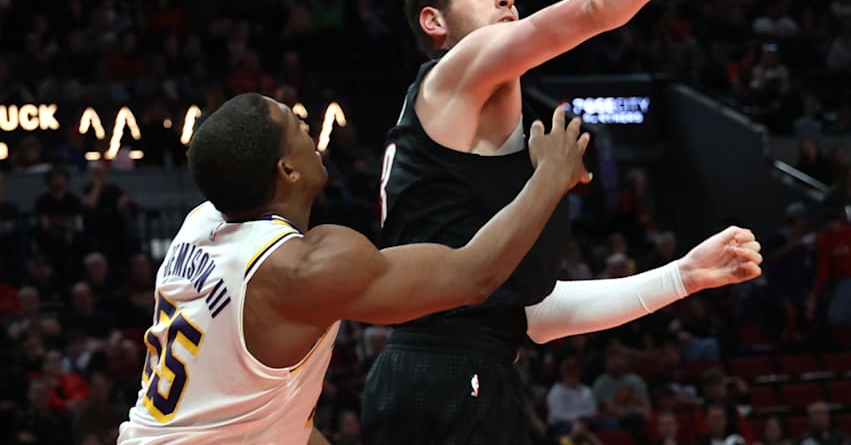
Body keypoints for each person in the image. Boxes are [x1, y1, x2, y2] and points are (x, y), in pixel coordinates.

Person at [364, 0, 834, 443]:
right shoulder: (456, 68)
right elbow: (596, 5)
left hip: (445, 373)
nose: (506, 0)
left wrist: (681, 276)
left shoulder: (470, 133)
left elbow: (537, 316)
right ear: (434, 21)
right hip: (447, 377)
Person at [117, 93, 591, 443]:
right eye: (296, 125)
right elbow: (474, 275)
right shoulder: (300, 269)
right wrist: (551, 175)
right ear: (287, 171)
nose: (308, 128)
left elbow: (256, 413)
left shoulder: (200, 224)